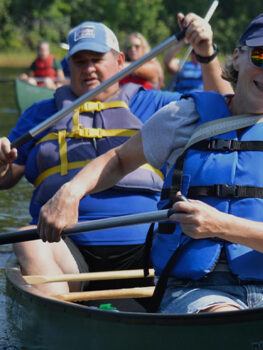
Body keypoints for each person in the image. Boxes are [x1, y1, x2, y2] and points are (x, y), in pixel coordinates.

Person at [37, 10, 263, 314]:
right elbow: (118, 160)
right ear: (239, 57)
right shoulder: (184, 117)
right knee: (227, 319)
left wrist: (219, 224)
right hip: (196, 291)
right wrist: (71, 192)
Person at [0, 15, 231, 297]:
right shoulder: (39, 114)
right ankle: (63, 318)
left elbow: (223, 108)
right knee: (28, 240)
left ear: (120, 61)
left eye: (97, 59)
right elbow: (7, 178)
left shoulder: (155, 103)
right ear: (68, 65)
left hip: (147, 247)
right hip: (67, 250)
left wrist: (206, 53)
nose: (89, 68)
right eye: (80, 61)